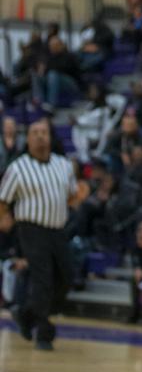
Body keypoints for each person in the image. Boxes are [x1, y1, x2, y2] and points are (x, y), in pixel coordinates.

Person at [0, 117, 78, 350]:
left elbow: (72, 195)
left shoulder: (63, 165)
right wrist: (4, 218)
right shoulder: (18, 168)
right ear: (28, 138)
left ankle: (26, 315)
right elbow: (3, 199)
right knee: (42, 280)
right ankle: (44, 333)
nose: (40, 136)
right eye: (35, 132)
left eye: (44, 132)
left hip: (58, 230)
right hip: (31, 230)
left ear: (51, 136)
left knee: (66, 277)